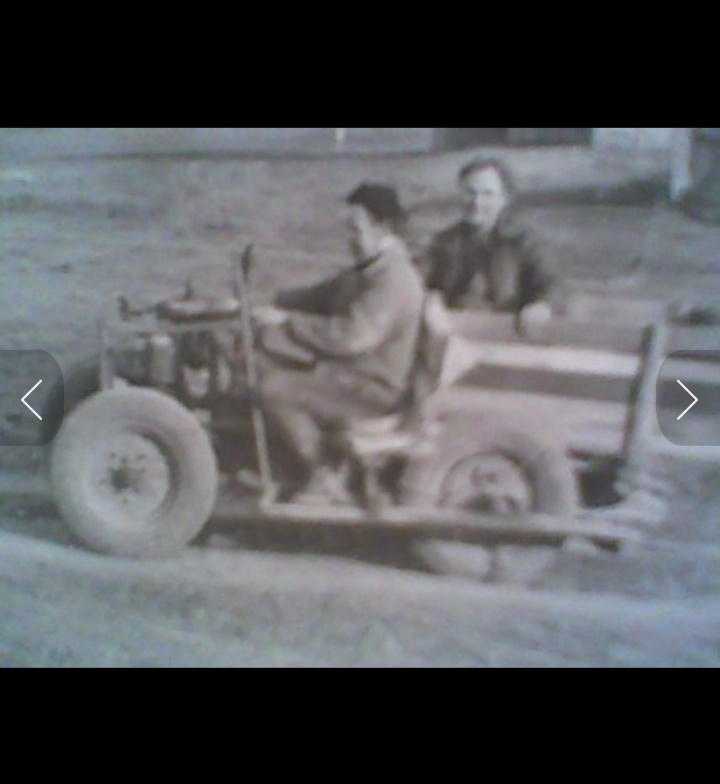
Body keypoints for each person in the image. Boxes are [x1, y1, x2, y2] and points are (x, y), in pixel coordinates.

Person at [253, 183, 426, 499]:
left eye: (355, 229)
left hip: (372, 388)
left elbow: (352, 338)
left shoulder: (394, 279)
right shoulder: (368, 269)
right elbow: (319, 295)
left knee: (275, 389)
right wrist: (266, 301)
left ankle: (324, 473)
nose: (349, 238)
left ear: (382, 227)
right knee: (259, 362)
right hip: (348, 375)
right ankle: (276, 463)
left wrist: (287, 322)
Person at [423, 157, 556, 333]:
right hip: (455, 330)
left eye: (487, 194)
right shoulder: (444, 242)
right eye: (470, 193)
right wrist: (431, 300)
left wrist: (541, 305)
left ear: (504, 199)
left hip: (507, 332)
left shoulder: (523, 242)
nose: (476, 202)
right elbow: (423, 282)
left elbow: (549, 284)